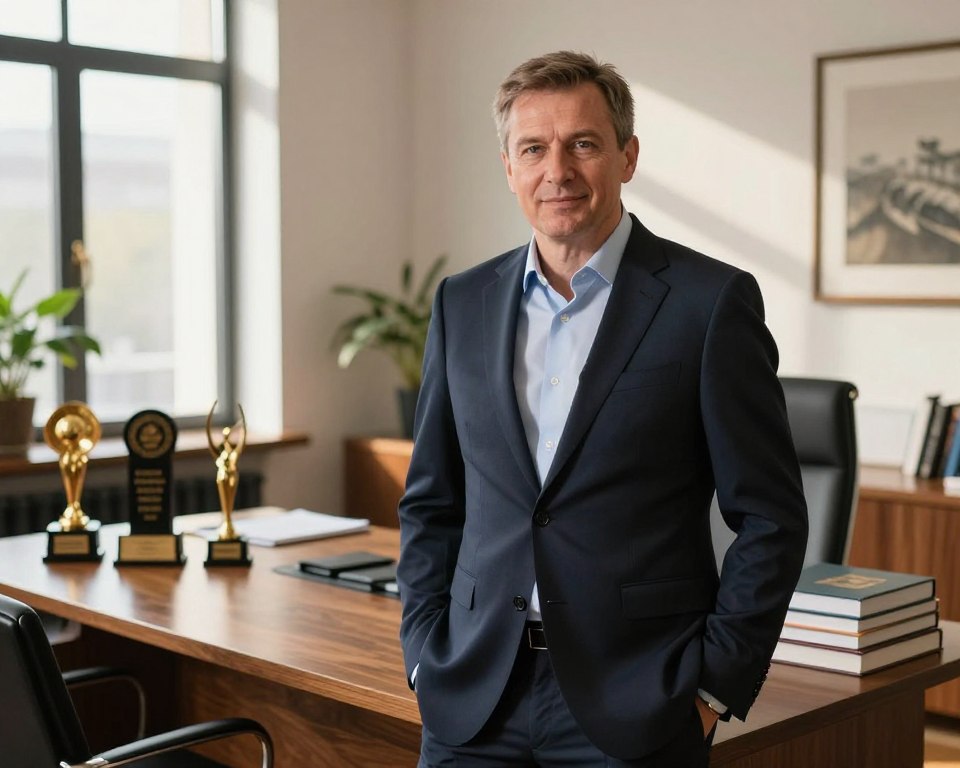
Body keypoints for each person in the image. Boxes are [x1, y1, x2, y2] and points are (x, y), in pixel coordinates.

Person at [397, 50, 808, 767]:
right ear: (509, 167)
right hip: (473, 697)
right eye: (533, 149)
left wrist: (712, 686)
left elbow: (770, 518)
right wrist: (422, 653)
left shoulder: (709, 305)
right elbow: (432, 502)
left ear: (627, 156)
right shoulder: (461, 303)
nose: (557, 170)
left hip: (636, 704)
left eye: (583, 143)